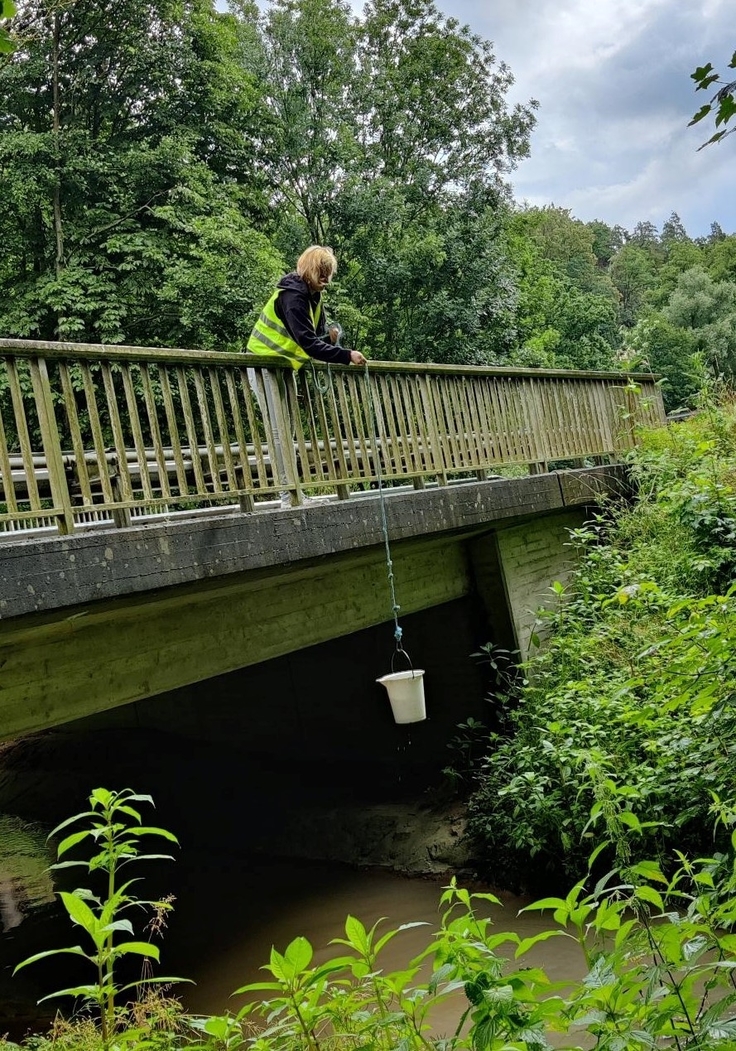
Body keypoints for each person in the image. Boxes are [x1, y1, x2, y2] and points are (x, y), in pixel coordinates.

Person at [247, 246, 366, 507]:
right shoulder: (293, 297)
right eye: (321, 272)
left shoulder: (313, 296)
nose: (325, 278)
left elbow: (317, 334)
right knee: (278, 432)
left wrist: (331, 336)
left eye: (328, 273)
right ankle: (286, 497)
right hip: (263, 364)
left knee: (287, 432)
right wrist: (346, 355)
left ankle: (294, 494)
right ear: (309, 269)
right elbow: (308, 343)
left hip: (285, 366)